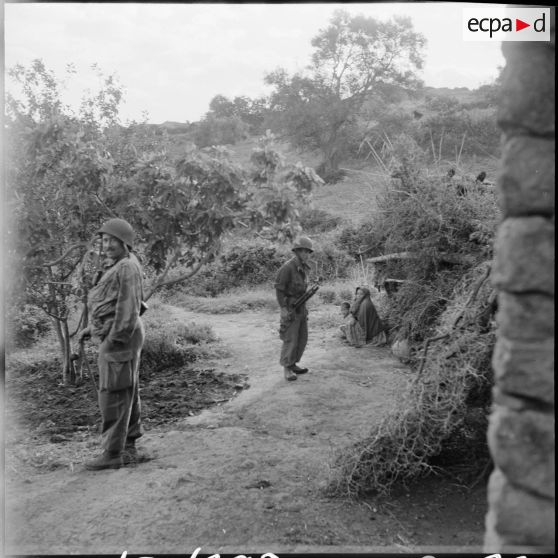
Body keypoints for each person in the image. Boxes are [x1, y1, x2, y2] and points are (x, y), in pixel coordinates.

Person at [77, 218, 145, 470]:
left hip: (120, 336)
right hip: (121, 333)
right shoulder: (119, 265)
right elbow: (112, 304)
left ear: (124, 243)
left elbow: (129, 310)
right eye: (104, 240)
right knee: (126, 388)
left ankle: (113, 453)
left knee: (113, 393)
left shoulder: (126, 267)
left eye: (112, 241)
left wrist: (111, 342)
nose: (106, 245)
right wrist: (93, 329)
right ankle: (128, 445)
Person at [275, 236, 314, 381]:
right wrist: (283, 309)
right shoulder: (287, 268)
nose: (307, 255)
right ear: (297, 251)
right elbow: (279, 290)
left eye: (309, 252)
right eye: (304, 251)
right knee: (290, 338)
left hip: (301, 307)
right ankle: (287, 368)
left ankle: (293, 364)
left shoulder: (303, 268)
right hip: (291, 307)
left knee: (302, 337)